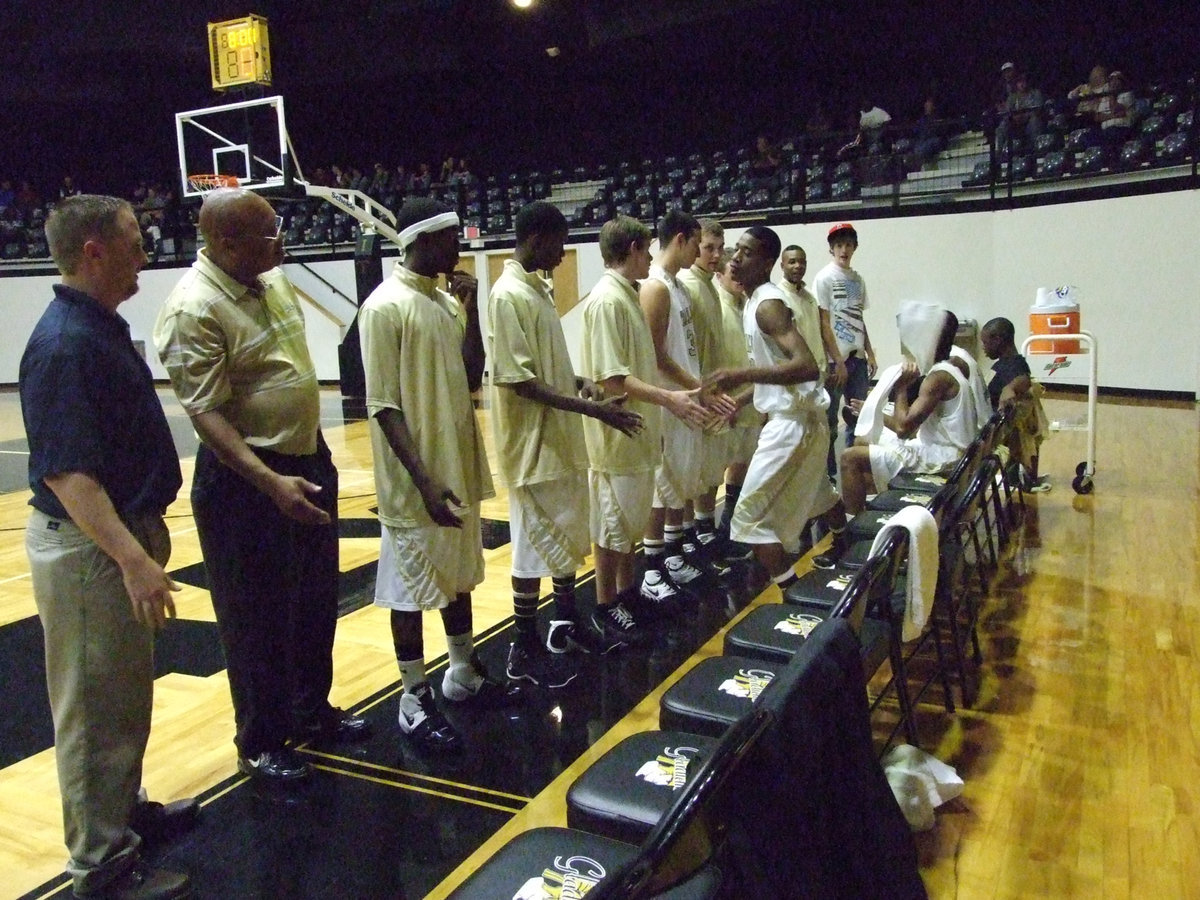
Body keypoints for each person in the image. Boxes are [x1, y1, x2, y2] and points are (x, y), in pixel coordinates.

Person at [155, 188, 370, 785]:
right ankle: (261, 738)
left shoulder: (269, 280)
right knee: (255, 620)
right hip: (245, 484)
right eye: (269, 231)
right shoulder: (192, 307)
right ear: (226, 244)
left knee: (313, 604)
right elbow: (208, 416)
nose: (282, 239)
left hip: (307, 460)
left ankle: (310, 710)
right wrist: (271, 482)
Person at [22, 195, 196, 899]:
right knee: (93, 711)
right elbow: (68, 475)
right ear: (94, 251)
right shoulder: (64, 344)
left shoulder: (95, 327)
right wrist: (132, 559)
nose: (145, 251)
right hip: (92, 550)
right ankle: (100, 866)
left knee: (121, 697)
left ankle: (124, 816)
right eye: (133, 240)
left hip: (116, 538)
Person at [358, 198, 521, 755]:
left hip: (456, 466)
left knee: (459, 577)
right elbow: (382, 404)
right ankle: (411, 696)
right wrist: (424, 483)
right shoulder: (384, 307)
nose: (459, 248)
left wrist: (471, 312)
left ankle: (461, 671)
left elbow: (471, 373)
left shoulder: (445, 304)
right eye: (452, 238)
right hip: (415, 481)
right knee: (409, 591)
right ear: (422, 241)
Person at [488, 201, 644, 679]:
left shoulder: (536, 290)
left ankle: (565, 622)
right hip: (532, 445)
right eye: (559, 243)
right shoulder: (508, 294)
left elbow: (542, 369)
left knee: (563, 539)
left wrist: (577, 381)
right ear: (536, 237)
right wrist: (593, 409)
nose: (563, 253)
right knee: (531, 548)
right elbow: (519, 382)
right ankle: (523, 643)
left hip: (558, 438)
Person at [580, 215, 712, 646]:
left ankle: (625, 594)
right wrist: (669, 398)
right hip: (615, 437)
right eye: (646, 249)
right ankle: (604, 605)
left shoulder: (627, 295)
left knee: (628, 525)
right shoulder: (607, 301)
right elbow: (611, 379)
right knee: (611, 526)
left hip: (636, 431)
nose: (650, 257)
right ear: (634, 249)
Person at [703, 225, 846, 595]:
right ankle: (848, 544)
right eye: (737, 251)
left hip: (792, 426)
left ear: (767, 263)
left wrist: (740, 373)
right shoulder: (753, 301)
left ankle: (792, 593)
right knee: (819, 494)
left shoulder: (767, 305)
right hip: (803, 419)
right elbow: (779, 373)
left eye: (747, 254)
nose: (735, 258)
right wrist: (741, 398)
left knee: (747, 522)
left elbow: (806, 366)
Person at [638, 211, 734, 612]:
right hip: (667, 400)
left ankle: (672, 556)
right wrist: (695, 388)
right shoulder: (656, 287)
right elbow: (654, 356)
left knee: (679, 479)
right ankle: (650, 570)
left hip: (685, 398)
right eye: (699, 243)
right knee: (662, 485)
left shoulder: (677, 285)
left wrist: (699, 389)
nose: (703, 252)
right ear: (682, 239)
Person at [840, 308, 977, 514]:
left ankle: (854, 529)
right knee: (864, 443)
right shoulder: (954, 365)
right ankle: (876, 507)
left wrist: (901, 388)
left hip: (945, 458)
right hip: (951, 451)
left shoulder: (937, 378)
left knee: (849, 457)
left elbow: (903, 428)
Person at [677, 218, 736, 567]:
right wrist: (698, 391)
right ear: (694, 246)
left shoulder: (708, 285)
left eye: (719, 247)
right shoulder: (686, 285)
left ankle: (702, 530)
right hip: (696, 396)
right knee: (691, 475)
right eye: (708, 247)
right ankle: (689, 537)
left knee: (710, 471)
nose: (716, 255)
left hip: (713, 392)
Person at [711, 250, 764, 544]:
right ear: (719, 276)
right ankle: (707, 531)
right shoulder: (716, 306)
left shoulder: (748, 306)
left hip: (748, 399)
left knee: (743, 462)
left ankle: (730, 523)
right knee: (714, 471)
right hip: (725, 403)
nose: (739, 280)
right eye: (734, 275)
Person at [813, 222, 876, 470]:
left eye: (848, 244)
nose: (843, 249)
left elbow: (859, 317)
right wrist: (837, 360)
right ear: (831, 249)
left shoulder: (858, 280)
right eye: (838, 245)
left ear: (854, 247)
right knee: (829, 422)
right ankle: (828, 475)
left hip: (857, 357)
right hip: (834, 360)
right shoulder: (824, 278)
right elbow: (824, 323)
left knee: (859, 417)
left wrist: (869, 351)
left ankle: (853, 469)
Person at [981, 317, 1050, 492]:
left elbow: (1024, 380)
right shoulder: (1008, 363)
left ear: (998, 339)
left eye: (985, 342)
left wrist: (1010, 388)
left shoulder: (1015, 364)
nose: (983, 348)